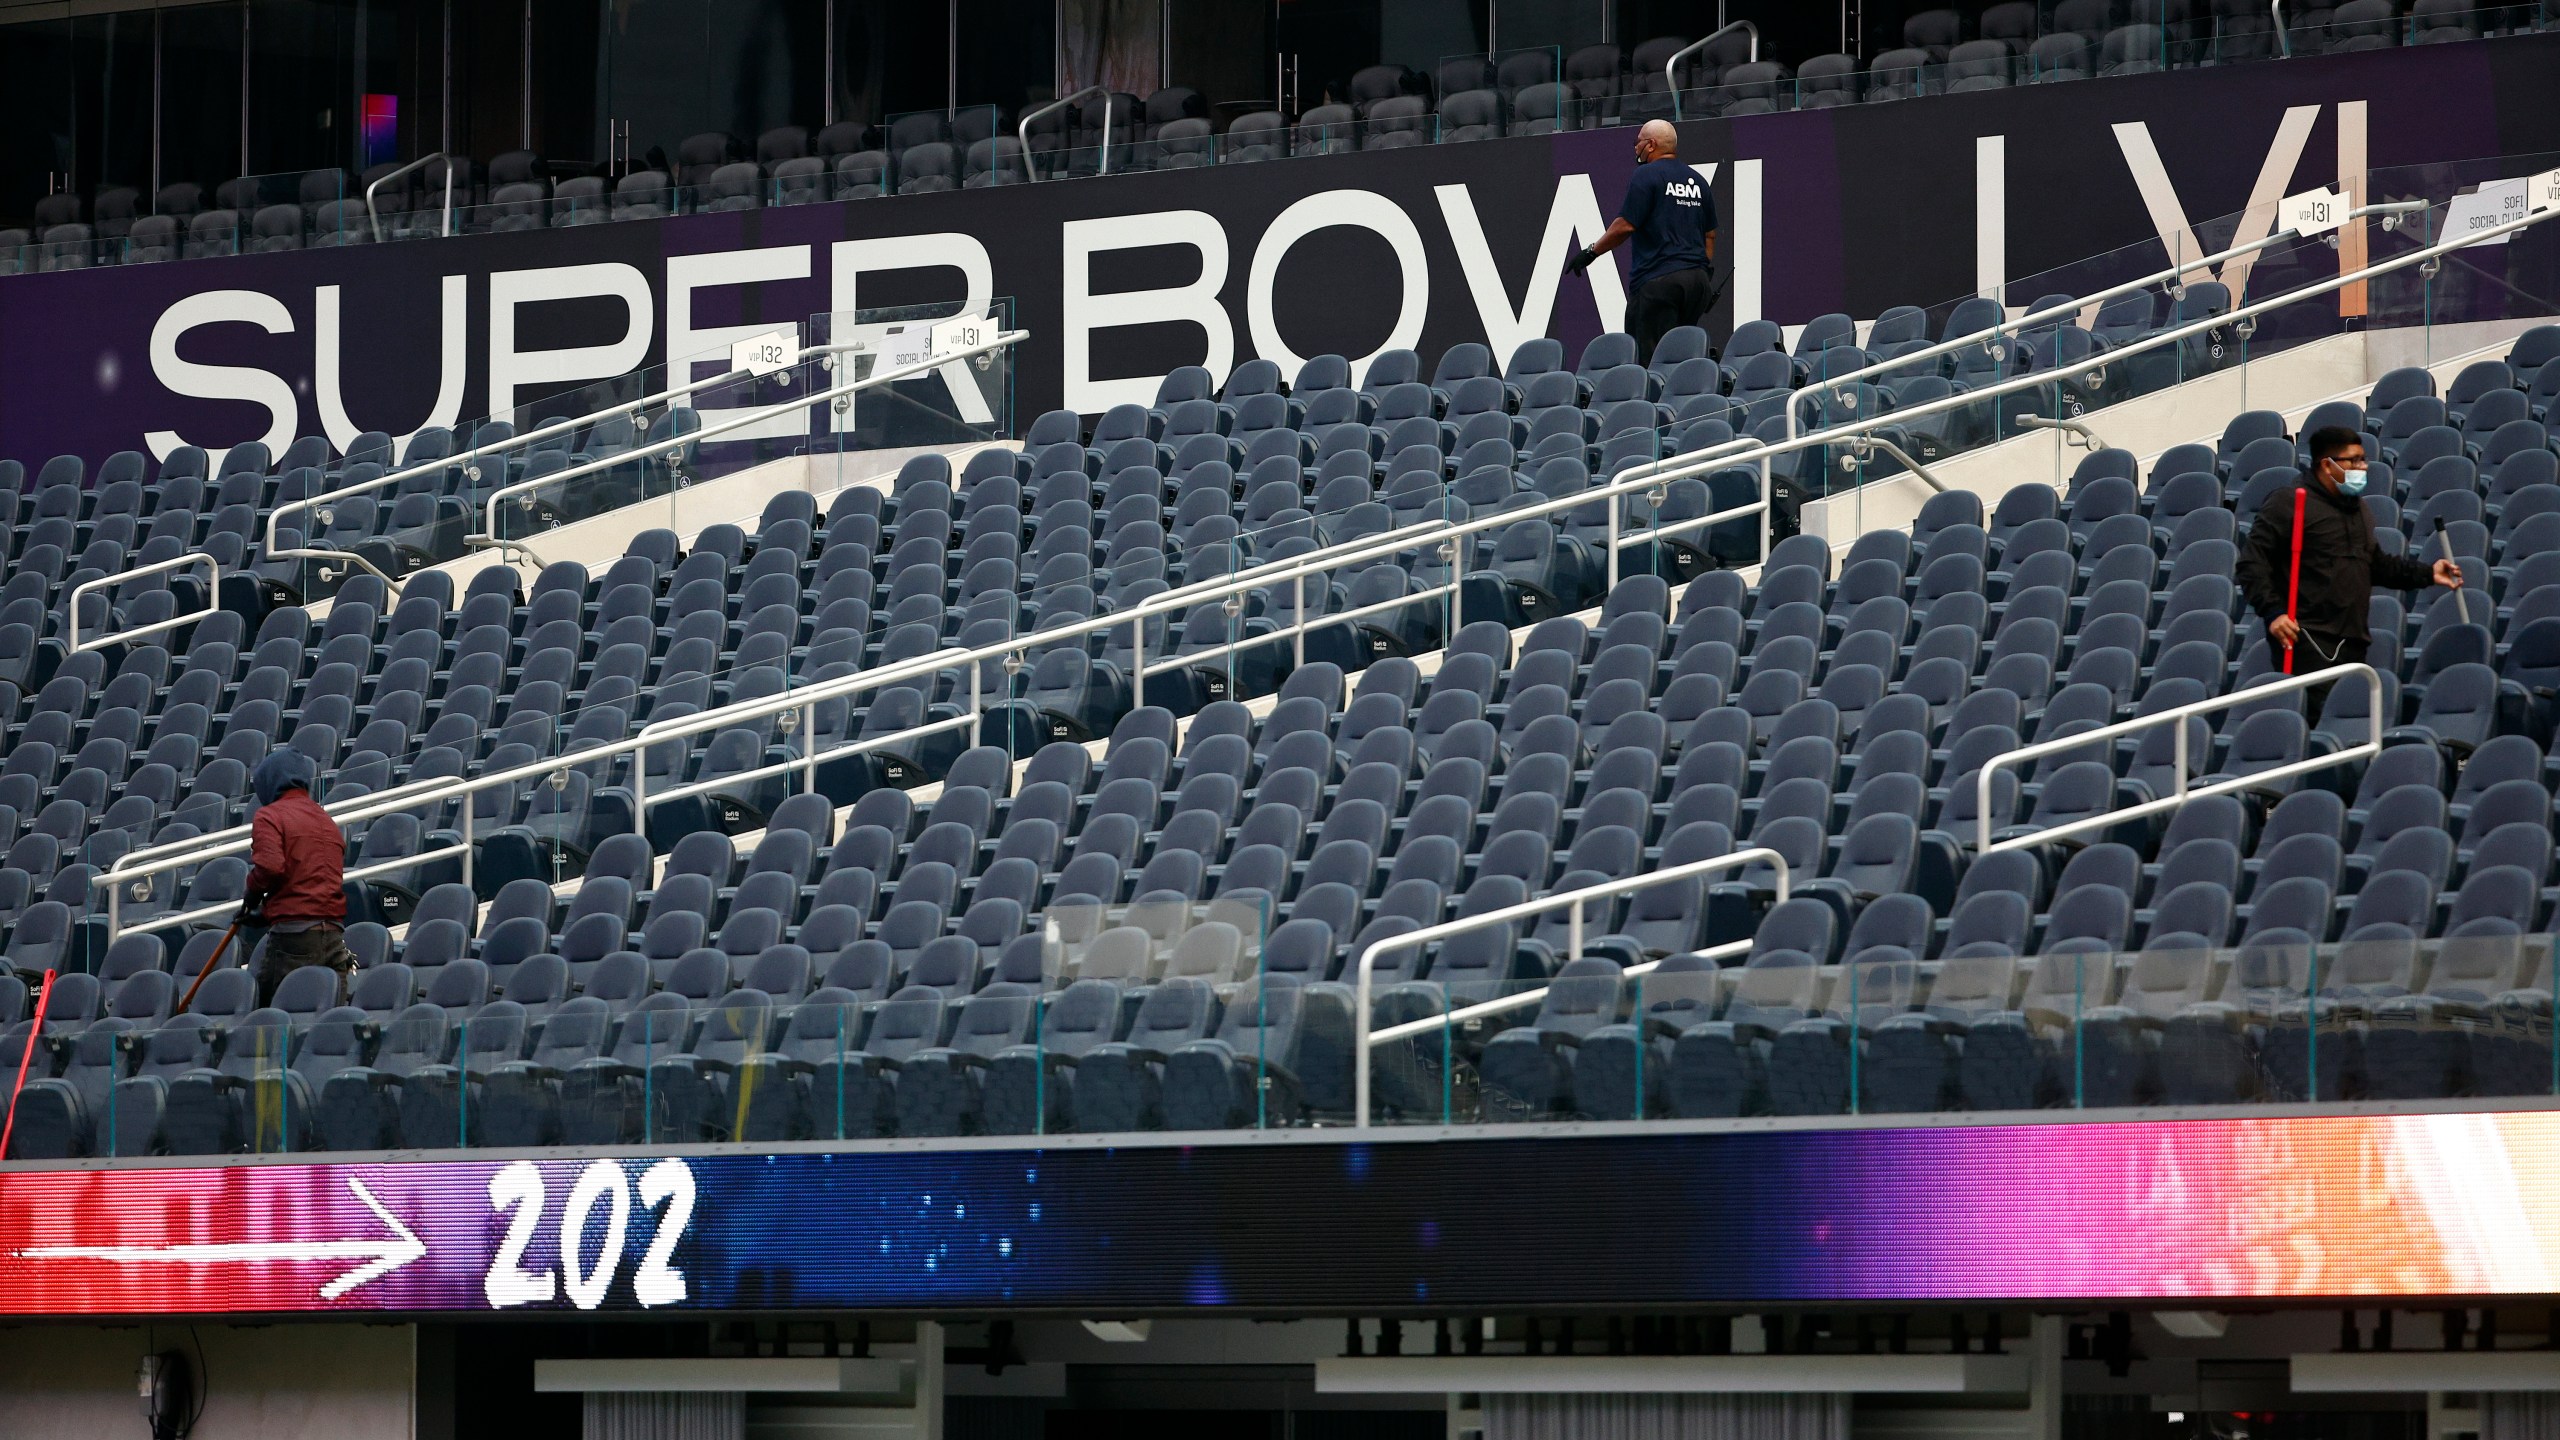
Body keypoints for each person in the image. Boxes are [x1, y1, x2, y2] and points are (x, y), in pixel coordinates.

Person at [2237, 425, 2462, 721]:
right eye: (2353, 461)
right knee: (2322, 731)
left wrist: (2427, 573)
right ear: (2326, 465)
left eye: (2363, 460)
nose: (2362, 467)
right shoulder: (2290, 502)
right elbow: (2252, 563)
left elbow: (2376, 565)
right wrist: (2273, 612)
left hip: (2353, 642)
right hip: (2308, 643)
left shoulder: (2359, 510)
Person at [1564, 119, 1717, 367]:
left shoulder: (1646, 175)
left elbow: (1625, 225)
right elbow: (1710, 235)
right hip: (1697, 284)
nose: (1635, 148)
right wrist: (1701, 272)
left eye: (1638, 142)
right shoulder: (1698, 181)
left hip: (1659, 283)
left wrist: (1590, 252)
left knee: (1650, 364)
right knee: (1684, 359)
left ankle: (1655, 406)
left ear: (1651, 144)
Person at [242, 750, 351, 1006]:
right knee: (325, 1019)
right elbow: (310, 882)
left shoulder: (270, 816)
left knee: (269, 1019)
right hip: (333, 936)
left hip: (293, 939)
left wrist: (252, 893)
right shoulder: (325, 820)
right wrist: (267, 914)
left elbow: (270, 867)